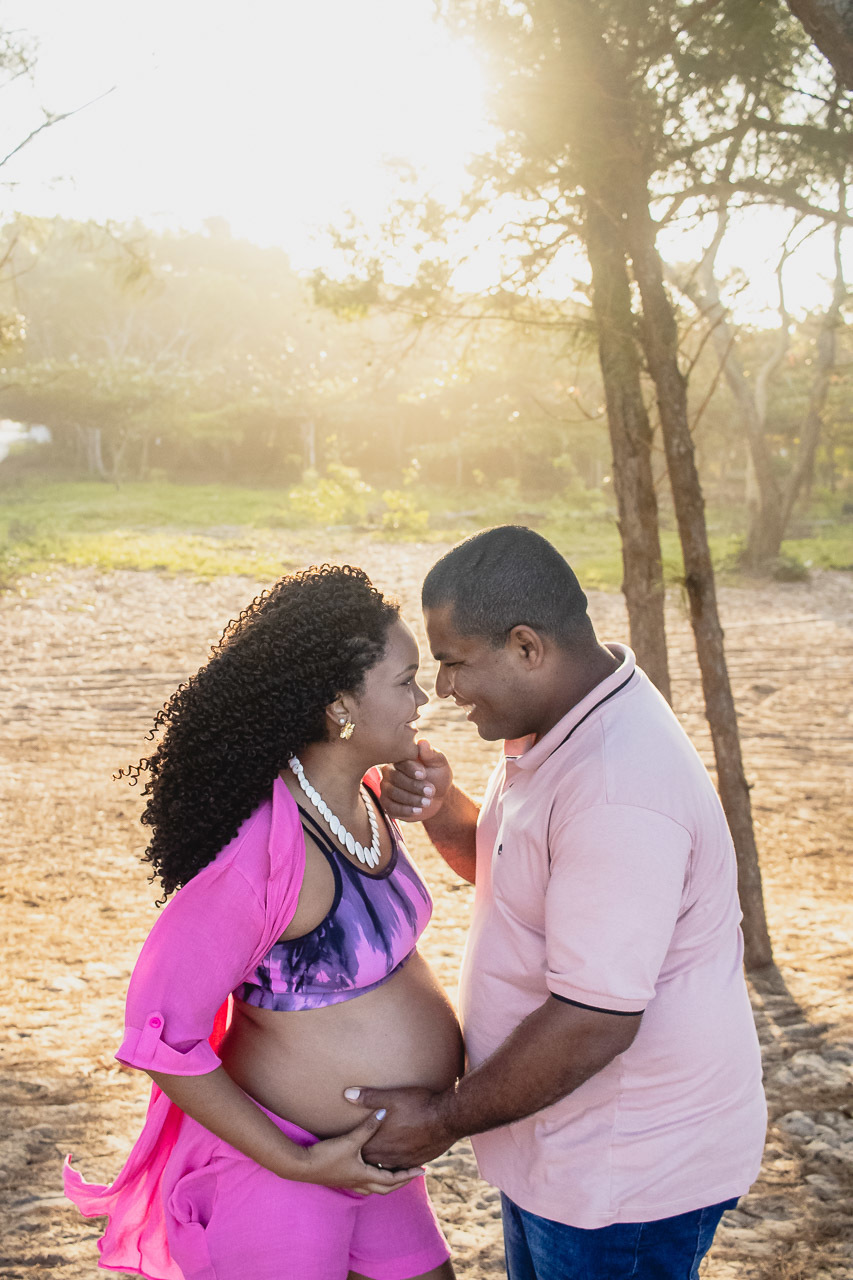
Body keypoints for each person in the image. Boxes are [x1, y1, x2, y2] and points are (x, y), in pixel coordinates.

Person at [344, 526, 767, 1280]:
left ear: (526, 647)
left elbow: (594, 1023)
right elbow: (517, 874)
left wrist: (440, 1121)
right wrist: (443, 809)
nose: (442, 691)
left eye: (453, 664)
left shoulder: (618, 786)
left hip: (622, 1175)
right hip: (557, 1146)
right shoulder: (563, 724)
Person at [64, 564, 462, 1280]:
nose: (423, 697)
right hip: (281, 1175)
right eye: (405, 682)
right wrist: (298, 1161)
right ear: (340, 707)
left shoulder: (366, 795)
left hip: (372, 1165)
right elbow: (157, 1030)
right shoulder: (261, 852)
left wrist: (431, 793)